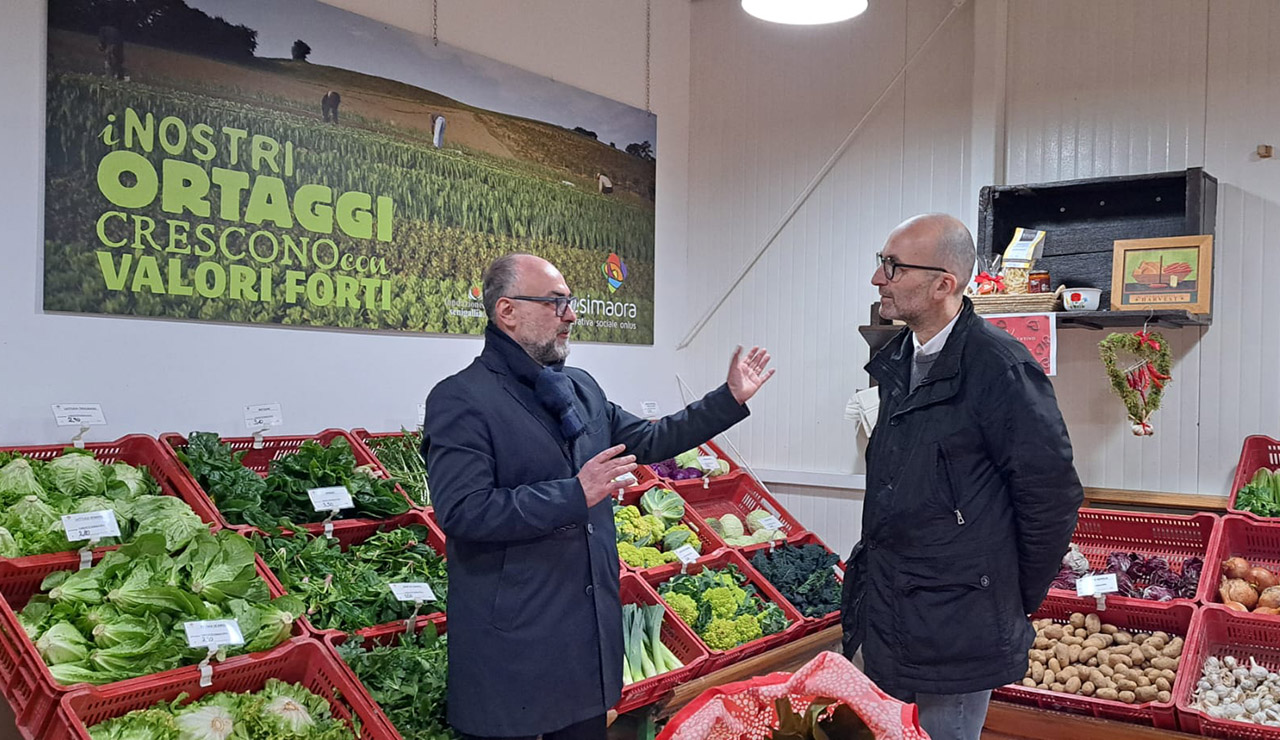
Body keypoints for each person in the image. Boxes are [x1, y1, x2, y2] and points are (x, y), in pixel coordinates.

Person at [423, 253, 775, 740]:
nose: (571, 315)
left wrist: (729, 398)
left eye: (570, 302)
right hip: (515, 650)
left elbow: (652, 440)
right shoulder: (461, 399)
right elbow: (464, 511)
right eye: (555, 303)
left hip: (585, 644)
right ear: (506, 311)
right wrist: (575, 493)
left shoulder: (581, 389)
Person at [840, 214, 1083, 740]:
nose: (877, 279)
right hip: (889, 610)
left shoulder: (1000, 367)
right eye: (881, 263)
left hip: (956, 628)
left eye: (893, 266)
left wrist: (1002, 596)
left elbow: (1052, 498)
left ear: (943, 284)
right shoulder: (897, 361)